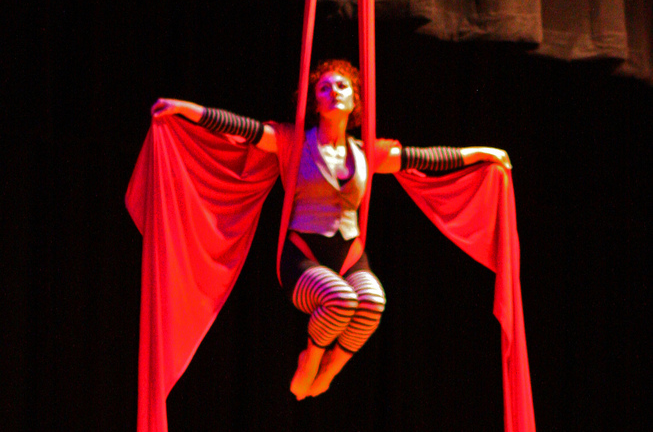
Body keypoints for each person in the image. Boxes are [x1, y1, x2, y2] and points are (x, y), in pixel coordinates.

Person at [151, 60, 510, 400]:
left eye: (342, 86)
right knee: (341, 299)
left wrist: (482, 153)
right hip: (301, 258)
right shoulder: (291, 140)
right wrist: (185, 109)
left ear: (355, 100)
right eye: (324, 88)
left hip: (349, 256)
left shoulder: (369, 152)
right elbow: (239, 126)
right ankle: (311, 358)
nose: (334, 91)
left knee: (372, 302)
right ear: (315, 103)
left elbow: (428, 158)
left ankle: (332, 368)